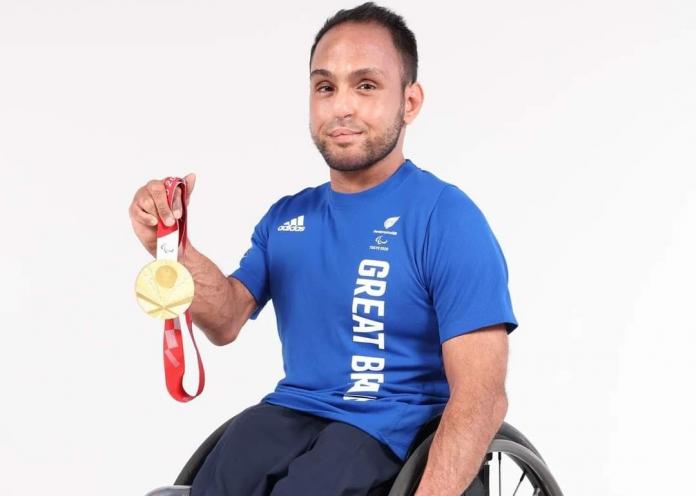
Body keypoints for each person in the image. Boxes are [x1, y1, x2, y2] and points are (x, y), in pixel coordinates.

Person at [129, 2, 518, 495]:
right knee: (226, 469)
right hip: (295, 414)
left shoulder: (446, 218)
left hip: (392, 431)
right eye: (325, 86)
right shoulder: (288, 218)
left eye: (367, 85)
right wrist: (170, 246)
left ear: (410, 102)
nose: (341, 106)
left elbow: (482, 398)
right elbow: (225, 318)